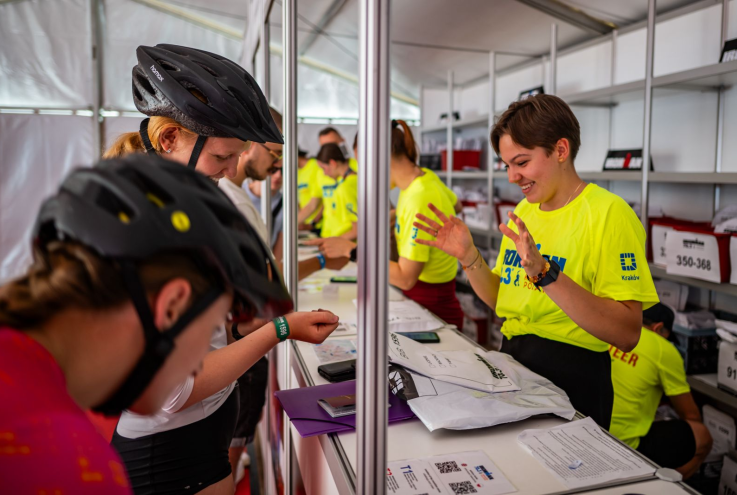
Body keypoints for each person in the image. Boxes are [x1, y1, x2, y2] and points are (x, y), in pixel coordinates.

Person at [105, 44, 340, 495]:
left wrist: (235, 323)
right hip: (169, 456)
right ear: (169, 139)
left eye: (237, 155)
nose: (232, 171)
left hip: (194, 439)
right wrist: (280, 329)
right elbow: (176, 390)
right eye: (221, 157)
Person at [0, 154, 294, 494]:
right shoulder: (73, 469)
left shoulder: (24, 379)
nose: (201, 359)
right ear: (171, 306)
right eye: (210, 329)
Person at [414, 94, 659, 428]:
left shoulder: (609, 214)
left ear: (561, 150)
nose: (512, 177)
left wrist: (545, 274)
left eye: (521, 162)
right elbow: (503, 300)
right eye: (507, 166)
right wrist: (469, 257)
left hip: (574, 375)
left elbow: (627, 333)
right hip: (514, 360)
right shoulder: (525, 210)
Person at [609, 303, 712, 478]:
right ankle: (666, 484)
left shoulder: (612, 330)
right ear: (658, 328)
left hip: (592, 430)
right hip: (626, 444)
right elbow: (691, 415)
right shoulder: (663, 348)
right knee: (702, 436)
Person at [316, 143, 358, 239]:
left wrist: (331, 243)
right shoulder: (356, 179)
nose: (324, 173)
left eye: (324, 168)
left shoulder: (346, 187)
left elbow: (358, 229)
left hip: (347, 244)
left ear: (332, 163)